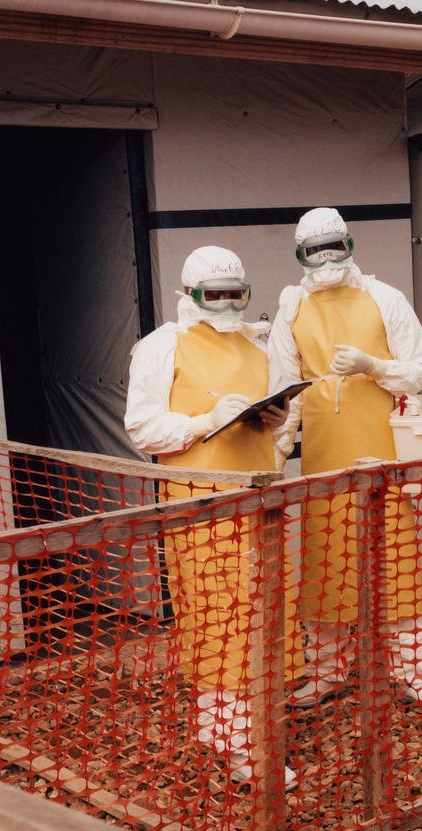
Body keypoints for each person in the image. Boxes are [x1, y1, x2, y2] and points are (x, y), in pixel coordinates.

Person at [125, 245, 300, 788]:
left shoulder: (259, 344)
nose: (227, 304)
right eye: (215, 295)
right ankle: (239, 740)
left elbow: (279, 421)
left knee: (262, 608)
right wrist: (204, 421)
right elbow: (142, 428)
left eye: (236, 294)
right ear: (191, 295)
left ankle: (233, 723)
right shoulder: (160, 347)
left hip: (259, 496)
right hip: (200, 502)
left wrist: (275, 416)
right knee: (218, 613)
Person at [267, 207, 422, 712]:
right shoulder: (291, 309)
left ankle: (414, 674)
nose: (326, 259)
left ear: (350, 245)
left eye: (334, 247)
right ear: (299, 255)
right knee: (325, 564)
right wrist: (275, 454)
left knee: (397, 564)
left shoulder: (385, 297)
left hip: (383, 452)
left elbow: (420, 370)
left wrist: (374, 367)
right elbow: (285, 392)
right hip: (325, 459)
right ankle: (326, 671)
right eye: (314, 251)